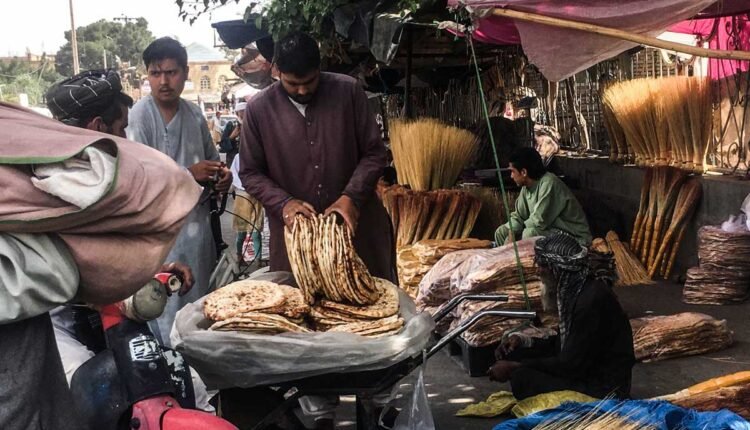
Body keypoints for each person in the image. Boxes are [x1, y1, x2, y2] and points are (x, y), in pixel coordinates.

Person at [45, 69, 195, 382]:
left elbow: (103, 255)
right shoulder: (55, 186)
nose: (125, 139)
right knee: (93, 388)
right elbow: (81, 264)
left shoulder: (98, 182)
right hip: (54, 327)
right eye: (121, 128)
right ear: (97, 127)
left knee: (186, 381)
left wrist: (153, 270)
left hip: (106, 317)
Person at [239, 31, 395, 282]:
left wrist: (351, 197)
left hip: (358, 238)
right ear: (277, 71)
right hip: (296, 246)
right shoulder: (258, 109)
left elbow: (375, 153)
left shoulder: (348, 91)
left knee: (371, 299)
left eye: (310, 81)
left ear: (319, 68)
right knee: (298, 302)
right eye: (292, 84)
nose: (302, 90)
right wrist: (284, 203)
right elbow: (250, 172)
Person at [127, 37, 232, 346]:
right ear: (147, 76)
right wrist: (188, 174)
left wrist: (220, 178)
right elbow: (137, 180)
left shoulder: (195, 114)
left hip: (197, 231)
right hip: (159, 234)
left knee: (198, 307)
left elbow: (212, 161)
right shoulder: (138, 116)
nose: (163, 81)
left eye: (171, 72)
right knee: (161, 305)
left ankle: (197, 368)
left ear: (185, 73)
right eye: (155, 73)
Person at [488, 233, 635, 400]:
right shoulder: (577, 291)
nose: (538, 271)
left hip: (603, 386)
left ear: (559, 270)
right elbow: (564, 344)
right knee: (514, 353)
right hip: (582, 367)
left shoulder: (590, 301)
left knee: (522, 378)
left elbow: (569, 364)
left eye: (543, 265)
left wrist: (515, 367)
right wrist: (523, 341)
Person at [494, 147, 592, 246]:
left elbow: (539, 220)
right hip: (550, 231)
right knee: (501, 232)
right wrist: (511, 231)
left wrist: (512, 239)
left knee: (530, 233)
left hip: (574, 237)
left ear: (524, 172)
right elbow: (519, 216)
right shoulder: (526, 187)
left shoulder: (549, 183)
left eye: (512, 171)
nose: (511, 176)